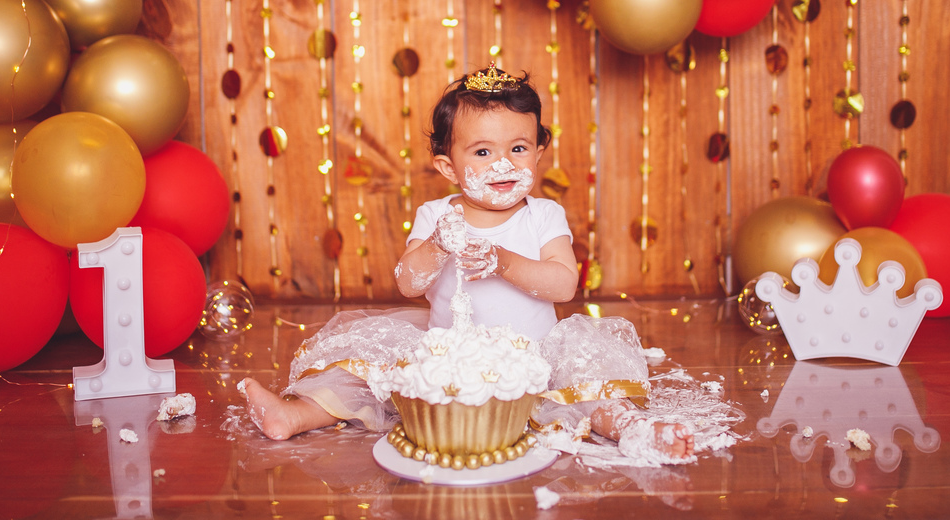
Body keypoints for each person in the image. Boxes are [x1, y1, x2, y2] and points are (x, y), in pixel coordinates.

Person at [241, 64, 695, 463]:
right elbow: (407, 282)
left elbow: (562, 286)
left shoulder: (543, 216)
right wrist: (437, 246)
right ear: (448, 167)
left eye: (518, 149)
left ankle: (632, 430)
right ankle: (295, 415)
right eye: (482, 152)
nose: (502, 164)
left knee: (587, 383)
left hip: (534, 353)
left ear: (538, 152)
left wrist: (502, 261)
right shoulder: (437, 217)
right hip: (447, 355)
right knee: (368, 373)